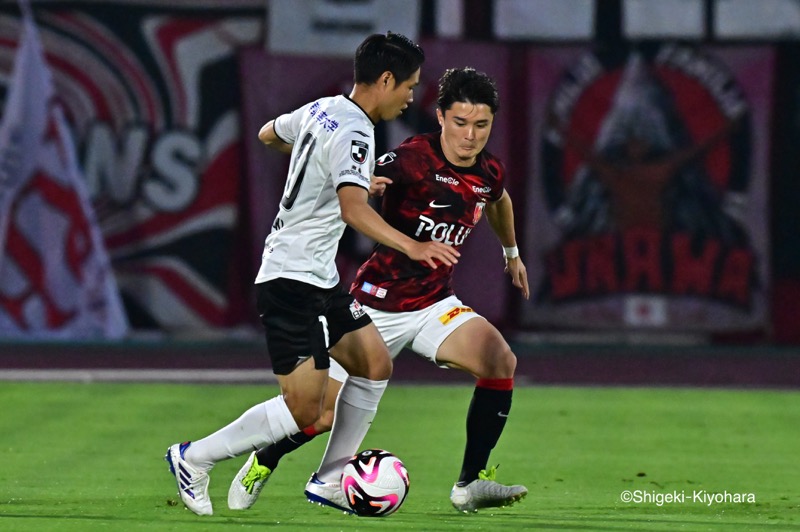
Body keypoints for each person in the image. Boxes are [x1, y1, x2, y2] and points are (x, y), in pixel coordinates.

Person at [164, 32, 460, 517]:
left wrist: (344, 174)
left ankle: (329, 478)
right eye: (409, 85)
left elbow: (268, 134)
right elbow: (352, 211)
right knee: (305, 409)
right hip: (290, 279)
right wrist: (413, 244)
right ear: (385, 80)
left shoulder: (323, 108)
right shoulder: (357, 130)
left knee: (375, 363)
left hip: (318, 278)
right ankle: (193, 458)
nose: (411, 96)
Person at [227, 67, 530, 514]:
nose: (470, 136)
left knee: (499, 359)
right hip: (375, 304)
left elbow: (497, 199)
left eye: (481, 125)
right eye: (461, 123)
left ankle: (470, 483)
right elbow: (349, 176)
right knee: (317, 415)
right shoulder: (410, 158)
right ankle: (263, 459)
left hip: (433, 305)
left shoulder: (488, 171)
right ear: (442, 117)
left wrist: (511, 253)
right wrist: (364, 184)